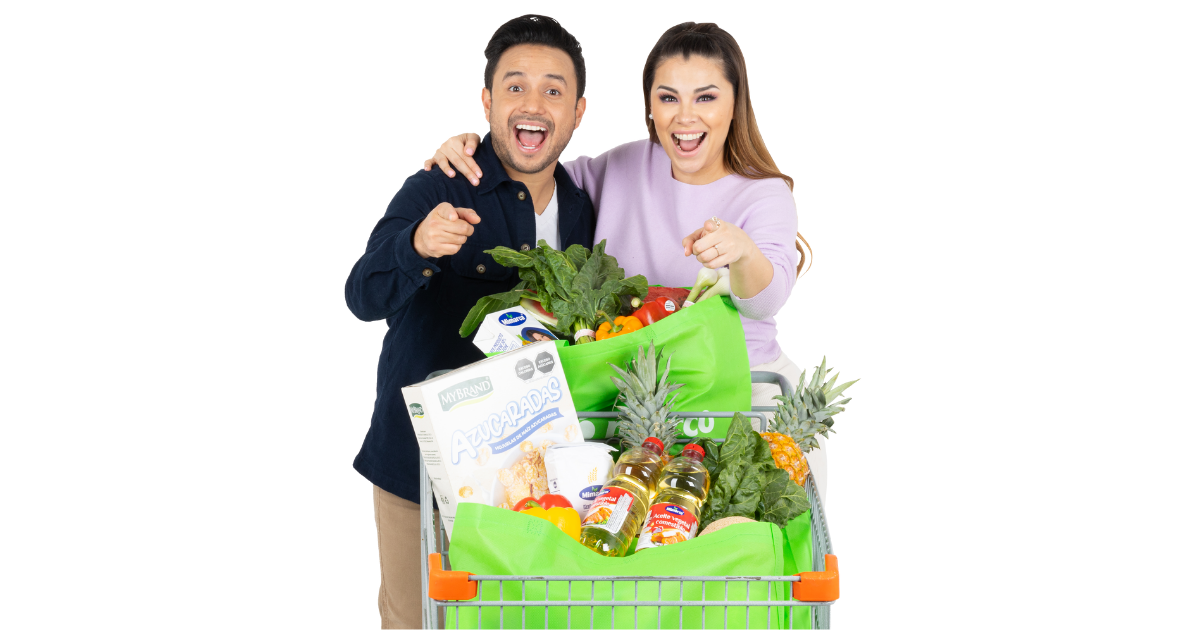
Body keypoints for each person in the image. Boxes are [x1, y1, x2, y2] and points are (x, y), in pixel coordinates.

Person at [423, 22, 828, 498]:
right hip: (631, 408)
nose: (685, 117)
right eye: (668, 97)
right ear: (649, 107)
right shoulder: (621, 167)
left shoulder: (763, 194)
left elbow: (767, 301)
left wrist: (743, 254)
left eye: (706, 97)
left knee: (757, 564)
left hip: (745, 401)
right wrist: (472, 145)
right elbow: (527, 168)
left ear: (735, 104)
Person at [344, 15, 594, 629]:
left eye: (553, 90)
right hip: (420, 469)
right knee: (414, 619)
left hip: (526, 476)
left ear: (578, 111)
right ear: (487, 101)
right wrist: (417, 246)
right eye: (515, 86)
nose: (533, 104)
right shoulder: (439, 183)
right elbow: (361, 293)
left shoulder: (581, 207)